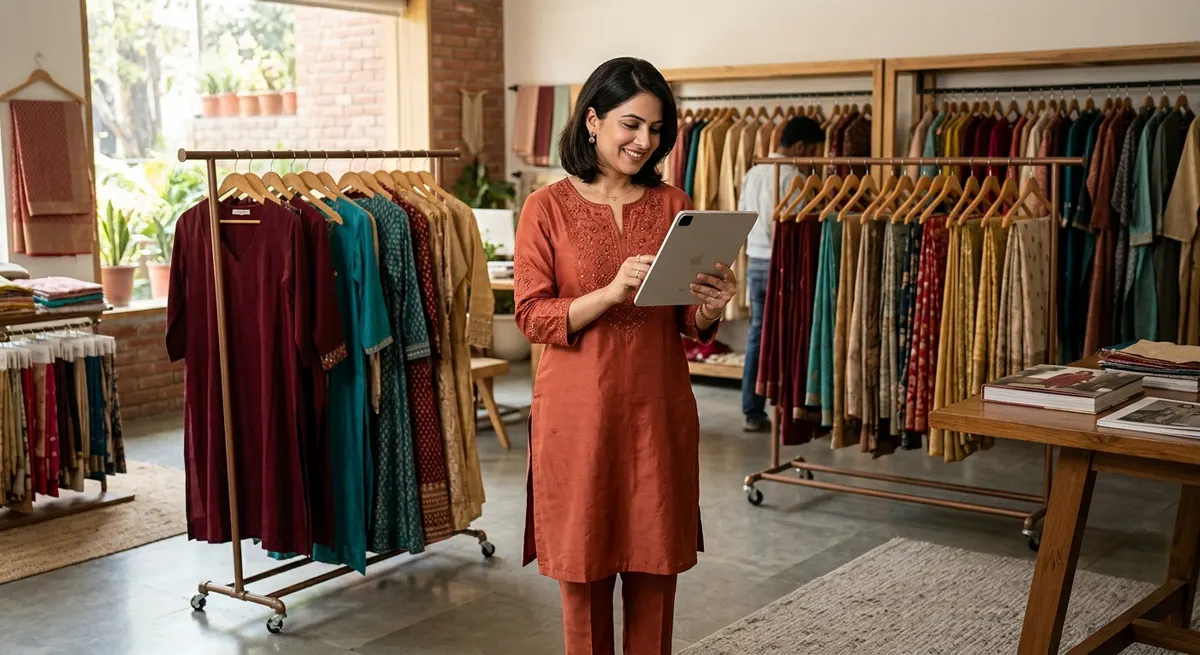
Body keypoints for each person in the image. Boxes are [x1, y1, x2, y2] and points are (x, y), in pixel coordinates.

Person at [513, 57, 737, 654]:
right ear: (593, 120)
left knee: (654, 567)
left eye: (657, 130)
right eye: (630, 124)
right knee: (583, 572)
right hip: (576, 415)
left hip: (655, 411)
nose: (644, 142)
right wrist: (610, 292)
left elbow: (688, 323)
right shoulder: (547, 208)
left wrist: (712, 306)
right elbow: (532, 315)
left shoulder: (673, 206)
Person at [737, 116, 827, 432]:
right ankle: (788, 405)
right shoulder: (793, 178)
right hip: (781, 264)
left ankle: (752, 409)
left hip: (755, 260)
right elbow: (792, 233)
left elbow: (742, 217)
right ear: (801, 146)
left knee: (758, 333)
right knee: (788, 333)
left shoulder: (752, 173)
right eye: (814, 149)